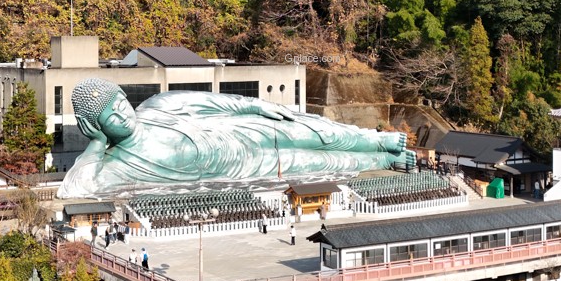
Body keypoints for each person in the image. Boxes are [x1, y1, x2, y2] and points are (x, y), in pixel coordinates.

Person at [59, 79, 414, 197]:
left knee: (311, 130)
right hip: (249, 165)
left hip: (242, 129)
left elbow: (217, 101)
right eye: (111, 117)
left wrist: (257, 106)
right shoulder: (116, 164)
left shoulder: (159, 106)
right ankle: (383, 159)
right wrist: (96, 144)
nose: (123, 114)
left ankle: (376, 139)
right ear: (96, 126)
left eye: (121, 103)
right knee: (321, 162)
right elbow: (74, 190)